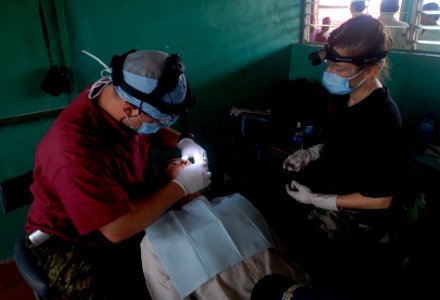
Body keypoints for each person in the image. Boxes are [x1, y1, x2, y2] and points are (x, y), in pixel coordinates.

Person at [24, 49, 212, 299]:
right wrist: (179, 186)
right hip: (68, 238)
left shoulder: (114, 96)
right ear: (129, 109)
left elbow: (149, 128)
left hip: (120, 200)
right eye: (161, 119)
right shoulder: (74, 153)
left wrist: (181, 141)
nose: (165, 124)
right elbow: (117, 229)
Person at [282, 15, 407, 299]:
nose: (330, 72)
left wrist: (318, 200)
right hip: (334, 190)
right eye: (329, 63)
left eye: (339, 67)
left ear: (372, 69)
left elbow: (382, 198)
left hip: (360, 219)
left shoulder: (382, 118)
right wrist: (312, 153)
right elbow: (341, 140)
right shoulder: (345, 95)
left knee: (337, 278)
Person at [141, 157, 310, 300]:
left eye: (185, 158)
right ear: (163, 186)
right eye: (174, 164)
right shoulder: (156, 241)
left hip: (294, 290)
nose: (186, 160)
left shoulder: (236, 203)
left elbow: (282, 251)